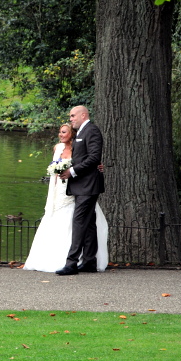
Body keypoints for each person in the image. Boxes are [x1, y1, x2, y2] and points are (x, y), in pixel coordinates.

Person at [23, 121, 108, 273]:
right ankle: (56, 258)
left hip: (77, 186)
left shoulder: (78, 146)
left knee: (78, 221)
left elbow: (89, 161)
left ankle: (78, 260)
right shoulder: (58, 148)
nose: (60, 135)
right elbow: (54, 167)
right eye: (60, 132)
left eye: (64, 132)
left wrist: (98, 167)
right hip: (60, 189)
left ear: (71, 134)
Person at [56, 105, 106, 275]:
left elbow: (94, 157)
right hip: (83, 185)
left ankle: (71, 263)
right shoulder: (81, 132)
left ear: (83, 115)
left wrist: (72, 171)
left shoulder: (92, 131)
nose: (70, 119)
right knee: (89, 223)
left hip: (88, 186)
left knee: (78, 222)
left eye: (73, 116)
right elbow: (83, 157)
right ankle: (89, 261)